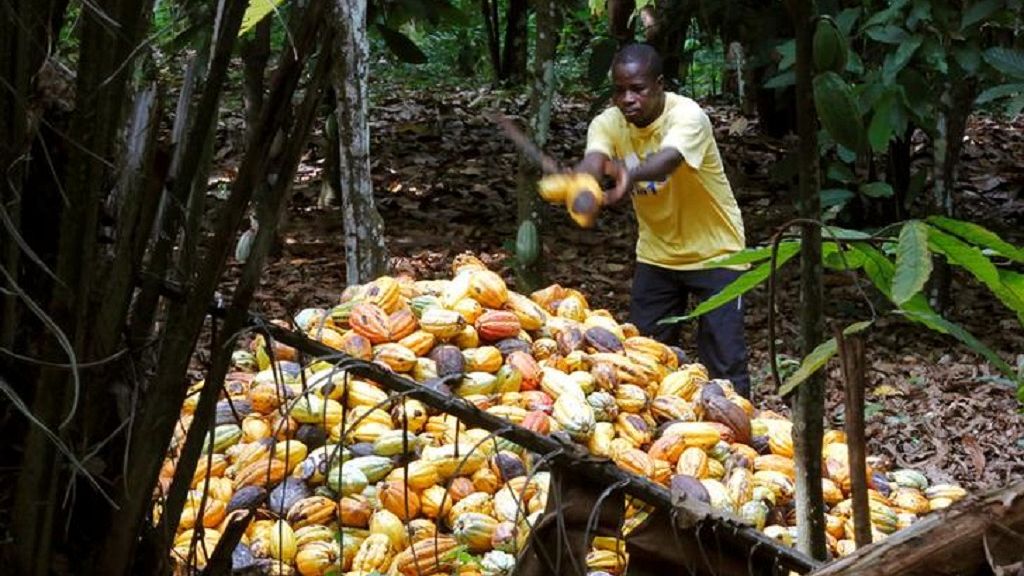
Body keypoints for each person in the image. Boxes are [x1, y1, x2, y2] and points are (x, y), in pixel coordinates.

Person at [573, 43, 751, 398]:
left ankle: (741, 445)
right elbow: (595, 160)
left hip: (718, 255)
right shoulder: (607, 123)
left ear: (659, 84)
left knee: (725, 366)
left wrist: (626, 175)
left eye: (637, 89)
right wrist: (583, 182)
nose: (627, 99)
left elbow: (668, 160)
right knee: (643, 361)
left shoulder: (687, 115)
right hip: (657, 256)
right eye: (619, 90)